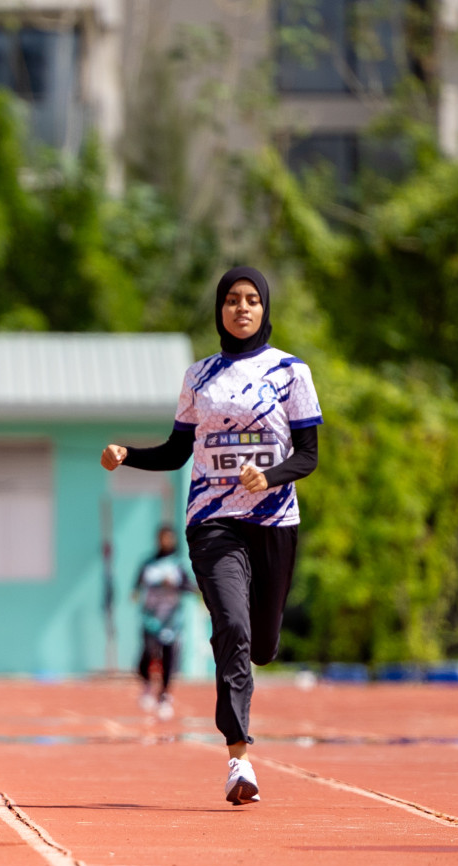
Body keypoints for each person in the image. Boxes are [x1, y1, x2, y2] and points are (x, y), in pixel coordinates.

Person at [101, 266, 321, 805]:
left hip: (273, 523)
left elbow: (309, 456)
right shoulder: (199, 377)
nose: (241, 309)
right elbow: (177, 452)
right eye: (231, 300)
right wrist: (129, 453)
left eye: (251, 300)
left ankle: (237, 645)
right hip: (212, 522)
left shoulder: (291, 372)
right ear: (218, 310)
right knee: (233, 627)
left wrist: (267, 477)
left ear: (264, 309)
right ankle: (239, 760)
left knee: (262, 645)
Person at [133, 525, 197, 721]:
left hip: (171, 620)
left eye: (169, 538)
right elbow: (135, 589)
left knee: (169, 657)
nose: (165, 542)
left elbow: (191, 587)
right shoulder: (148, 564)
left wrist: (175, 584)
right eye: (162, 538)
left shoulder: (178, 565)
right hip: (151, 618)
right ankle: (146, 684)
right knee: (146, 654)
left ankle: (164, 696)